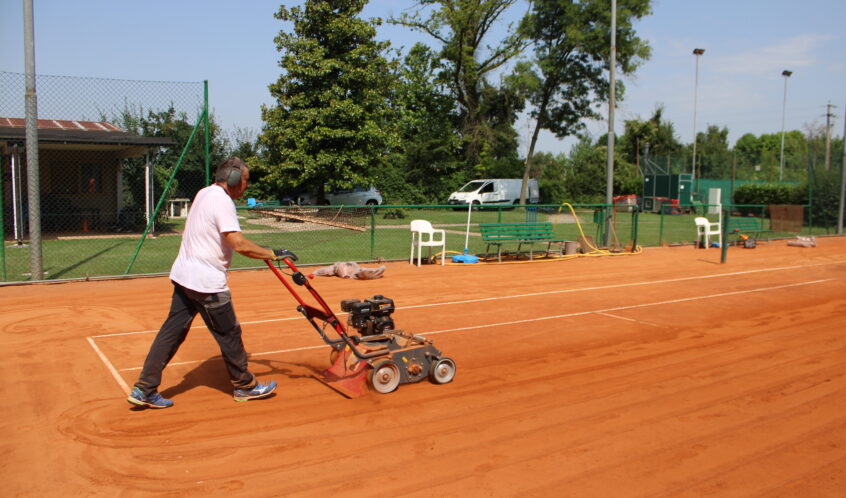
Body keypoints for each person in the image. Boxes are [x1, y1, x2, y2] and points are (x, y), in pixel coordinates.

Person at [127, 157, 293, 409]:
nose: (246, 186)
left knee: (171, 332)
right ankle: (245, 386)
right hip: (206, 284)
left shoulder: (204, 193)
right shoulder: (223, 201)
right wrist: (271, 253)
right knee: (229, 334)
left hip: (184, 277)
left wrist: (266, 250)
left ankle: (144, 388)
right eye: (246, 181)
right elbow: (238, 244)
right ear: (235, 179)